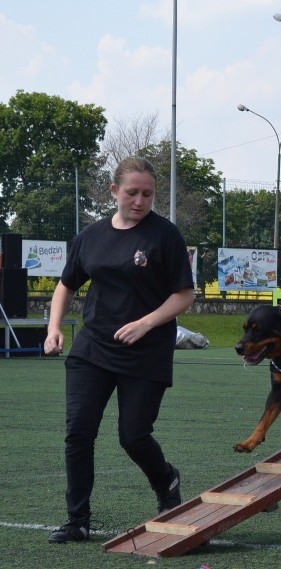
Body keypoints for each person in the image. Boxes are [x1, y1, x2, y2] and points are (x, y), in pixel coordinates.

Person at [44, 157, 196, 544]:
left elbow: (184, 294)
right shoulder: (91, 236)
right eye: (132, 192)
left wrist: (146, 322)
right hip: (92, 349)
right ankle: (77, 520)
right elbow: (66, 285)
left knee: (133, 436)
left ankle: (167, 480)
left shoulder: (165, 236)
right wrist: (54, 328)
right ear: (114, 191)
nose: (140, 200)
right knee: (78, 433)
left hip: (146, 352)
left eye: (147, 193)